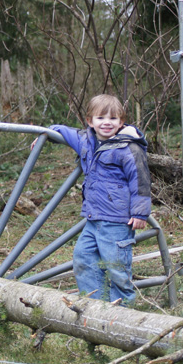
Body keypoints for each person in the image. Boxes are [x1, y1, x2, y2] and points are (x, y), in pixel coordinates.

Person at [46, 94, 151, 305]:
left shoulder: (129, 147)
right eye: (101, 118)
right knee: (83, 258)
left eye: (113, 119)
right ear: (90, 121)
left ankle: (123, 313)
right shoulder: (86, 140)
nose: (106, 123)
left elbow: (140, 180)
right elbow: (63, 131)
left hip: (117, 220)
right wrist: (44, 134)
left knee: (117, 267)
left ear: (121, 122)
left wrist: (140, 212)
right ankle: (96, 305)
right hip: (93, 219)